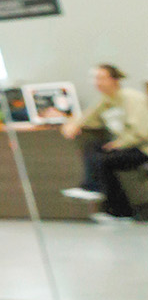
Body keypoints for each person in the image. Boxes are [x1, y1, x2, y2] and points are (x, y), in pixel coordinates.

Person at [60, 63, 148, 220]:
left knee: (104, 161)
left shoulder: (130, 97)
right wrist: (73, 124)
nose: (97, 82)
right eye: (95, 78)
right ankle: (91, 188)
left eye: (101, 78)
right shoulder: (106, 100)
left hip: (142, 148)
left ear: (114, 80)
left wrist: (120, 144)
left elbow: (142, 131)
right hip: (126, 145)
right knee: (93, 147)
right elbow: (88, 117)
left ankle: (119, 210)